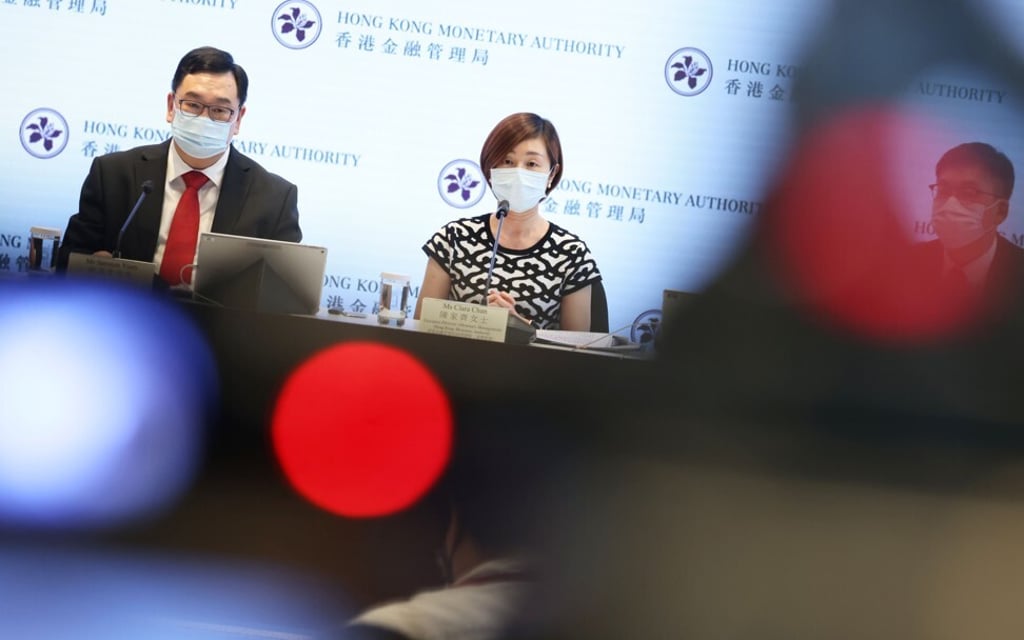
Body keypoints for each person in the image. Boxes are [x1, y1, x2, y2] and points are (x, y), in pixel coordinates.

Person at [57, 46, 301, 285]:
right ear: (171, 106)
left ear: (238, 119)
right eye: (193, 105)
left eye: (219, 110)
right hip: (125, 318)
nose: (205, 118)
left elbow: (284, 294)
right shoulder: (113, 174)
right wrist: (94, 266)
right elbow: (68, 261)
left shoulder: (274, 199)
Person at [414, 113, 602, 331]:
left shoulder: (572, 254)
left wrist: (519, 327)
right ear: (490, 168)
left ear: (552, 174)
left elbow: (577, 353)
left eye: (532, 163)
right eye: (507, 161)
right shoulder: (454, 239)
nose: (518, 172)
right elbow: (420, 329)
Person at [919, 142, 1024, 299]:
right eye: (943, 190)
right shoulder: (906, 263)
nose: (950, 204)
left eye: (969, 193)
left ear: (1000, 212)